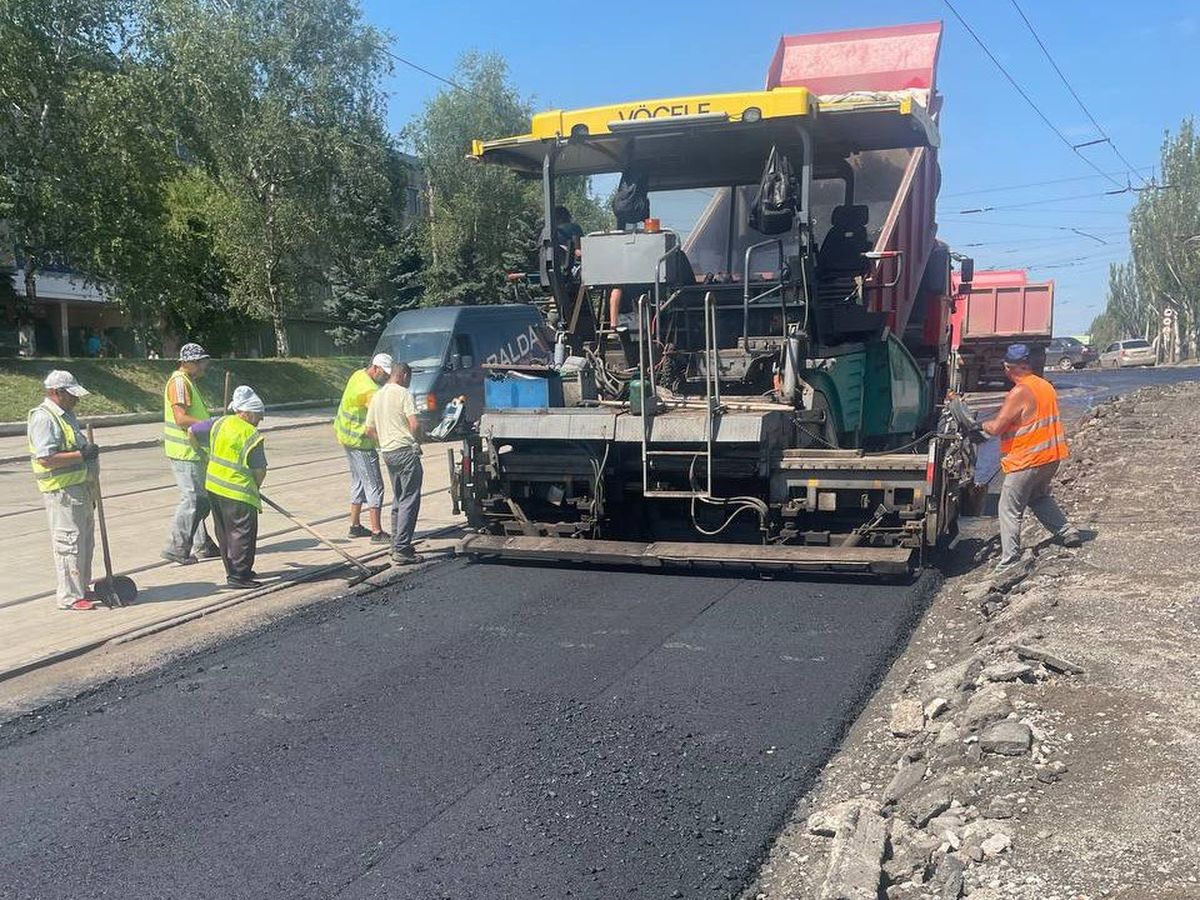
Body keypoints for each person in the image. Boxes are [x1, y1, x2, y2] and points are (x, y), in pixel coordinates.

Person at [981, 344, 1082, 572]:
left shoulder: (1020, 391)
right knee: (1038, 497)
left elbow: (997, 427)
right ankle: (1067, 531)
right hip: (1051, 456)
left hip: (1027, 460)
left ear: (1009, 367)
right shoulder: (1044, 386)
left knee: (1008, 507)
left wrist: (981, 424)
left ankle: (1009, 560)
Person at [27, 370, 101, 610]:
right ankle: (70, 596)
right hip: (62, 492)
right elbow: (46, 458)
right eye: (71, 395)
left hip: (80, 488)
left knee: (85, 542)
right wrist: (82, 455)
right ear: (55, 392)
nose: (76, 399)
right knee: (69, 543)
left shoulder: (66, 414)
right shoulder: (44, 418)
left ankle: (82, 588)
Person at [195, 386, 268, 589]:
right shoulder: (250, 434)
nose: (259, 420)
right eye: (258, 416)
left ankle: (233, 572)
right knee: (242, 534)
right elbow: (260, 470)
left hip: (214, 486)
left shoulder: (220, 422)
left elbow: (192, 431)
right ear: (247, 413)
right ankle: (239, 577)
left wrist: (202, 455)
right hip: (238, 491)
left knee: (224, 533)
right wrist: (255, 487)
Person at [161, 342, 221, 565]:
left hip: (193, 450)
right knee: (194, 500)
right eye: (202, 362)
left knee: (200, 499)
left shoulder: (187, 382)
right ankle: (176, 547)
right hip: (185, 451)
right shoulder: (179, 382)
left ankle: (203, 545)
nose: (204, 366)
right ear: (190, 363)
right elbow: (181, 419)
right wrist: (212, 425)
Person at [365, 361, 424, 565]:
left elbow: (369, 430)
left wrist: (382, 443)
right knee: (410, 499)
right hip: (405, 452)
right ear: (404, 376)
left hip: (388, 453)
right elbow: (414, 424)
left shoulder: (378, 395)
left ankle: (395, 544)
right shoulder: (403, 394)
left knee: (399, 498)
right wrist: (416, 440)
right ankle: (402, 549)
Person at [334, 353, 392, 543]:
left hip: (346, 438)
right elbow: (377, 418)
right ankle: (376, 532)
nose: (386, 378)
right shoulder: (370, 391)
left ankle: (355, 526)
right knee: (375, 485)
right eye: (384, 374)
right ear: (375, 368)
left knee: (358, 482)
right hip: (361, 442)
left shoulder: (358, 374)